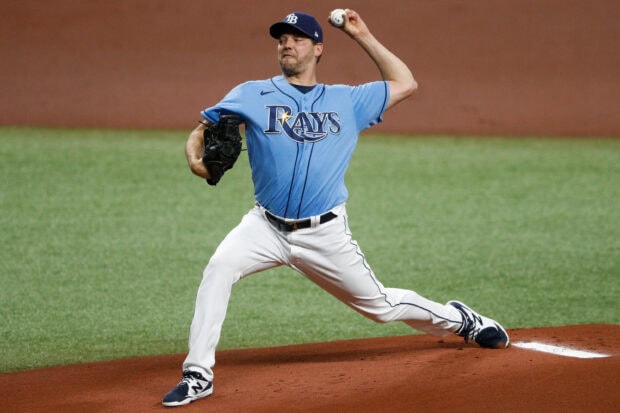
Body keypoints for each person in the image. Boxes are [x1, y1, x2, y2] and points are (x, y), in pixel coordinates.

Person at [162, 10, 509, 407]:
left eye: (297, 38)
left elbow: (405, 82)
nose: (287, 44)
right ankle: (197, 374)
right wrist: (196, 161)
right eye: (281, 39)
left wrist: (363, 35)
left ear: (318, 48)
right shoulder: (252, 93)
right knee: (219, 268)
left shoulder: (349, 100)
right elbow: (201, 129)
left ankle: (461, 320)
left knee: (381, 306)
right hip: (265, 227)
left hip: (323, 233)